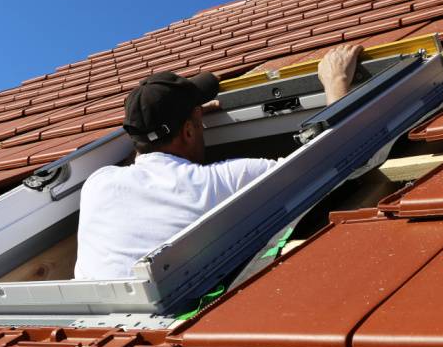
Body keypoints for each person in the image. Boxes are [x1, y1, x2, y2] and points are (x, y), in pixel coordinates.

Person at [73, 44, 363, 280]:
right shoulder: (222, 181)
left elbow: (143, 154)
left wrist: (189, 121)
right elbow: (325, 160)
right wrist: (336, 83)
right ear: (187, 130)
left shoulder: (98, 183)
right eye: (195, 125)